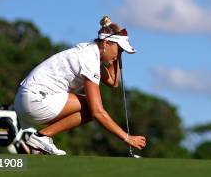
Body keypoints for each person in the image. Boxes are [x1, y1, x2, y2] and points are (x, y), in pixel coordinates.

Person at [13, 16, 147, 155]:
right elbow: (98, 112)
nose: (119, 54)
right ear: (106, 43)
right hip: (34, 100)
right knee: (91, 107)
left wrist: (117, 54)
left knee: (90, 107)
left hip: (26, 100)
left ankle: (41, 139)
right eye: (119, 49)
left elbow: (113, 81)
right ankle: (41, 137)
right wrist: (127, 138)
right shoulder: (89, 59)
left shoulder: (91, 51)